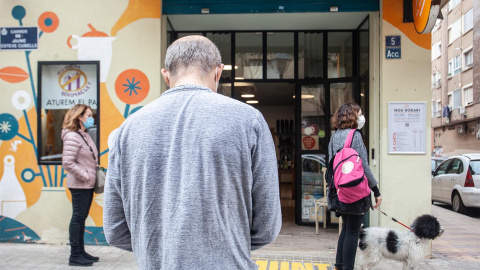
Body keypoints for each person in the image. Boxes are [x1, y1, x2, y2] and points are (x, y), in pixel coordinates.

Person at [103, 35, 282, 269]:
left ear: (166, 76)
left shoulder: (127, 130)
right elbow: (267, 225)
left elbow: (115, 229)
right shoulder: (248, 121)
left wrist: (160, 248)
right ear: (218, 72)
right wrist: (228, 244)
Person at [328, 103, 382, 270]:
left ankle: (339, 264)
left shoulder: (334, 136)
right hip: (355, 190)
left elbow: (331, 165)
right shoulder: (355, 136)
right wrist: (376, 190)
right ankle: (347, 267)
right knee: (353, 230)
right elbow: (364, 167)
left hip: (340, 190)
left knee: (346, 228)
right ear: (352, 116)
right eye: (359, 114)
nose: (361, 117)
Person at [62, 104, 99, 267]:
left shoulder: (83, 134)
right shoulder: (72, 136)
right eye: (89, 115)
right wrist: (86, 176)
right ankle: (75, 255)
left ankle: (81, 252)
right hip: (79, 184)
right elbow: (68, 163)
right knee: (78, 218)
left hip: (87, 184)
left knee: (81, 218)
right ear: (80, 117)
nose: (92, 118)